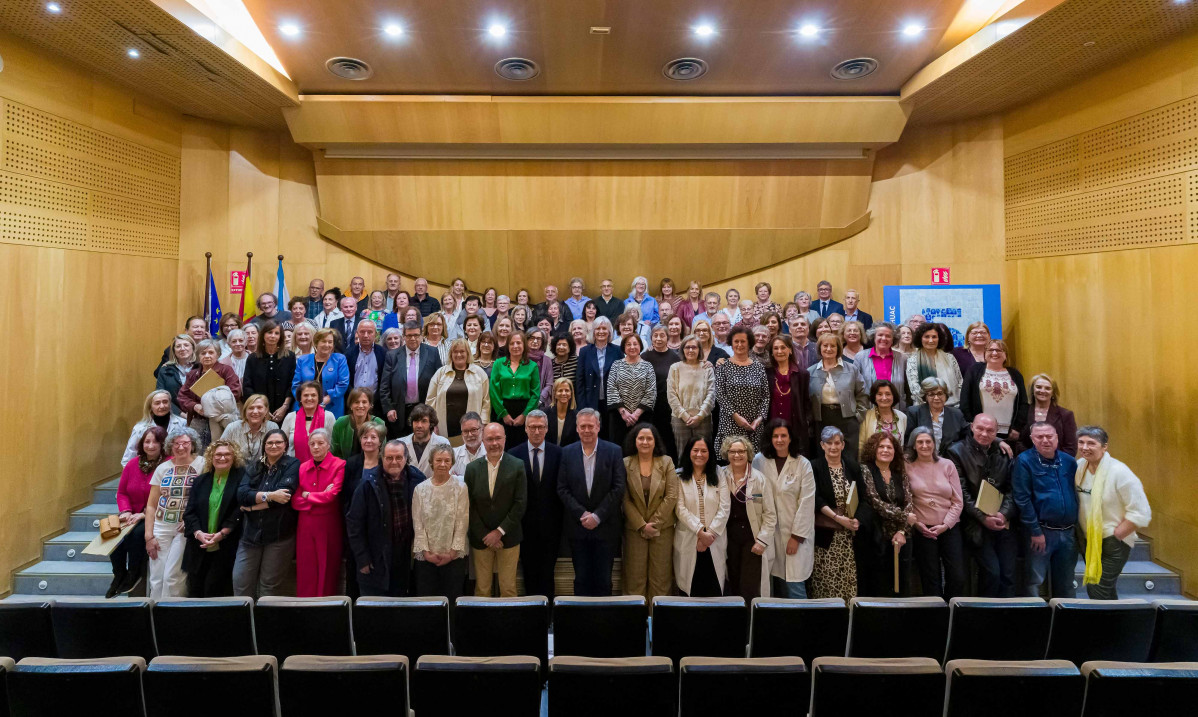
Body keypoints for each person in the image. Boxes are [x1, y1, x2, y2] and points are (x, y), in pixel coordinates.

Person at [1075, 426, 1152, 600]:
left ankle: (1102, 627)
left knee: (1097, 588)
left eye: (1091, 443)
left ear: (1104, 447)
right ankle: (1117, 624)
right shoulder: (1079, 466)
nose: (1085, 447)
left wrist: (1118, 534)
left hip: (1113, 543)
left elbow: (1141, 511)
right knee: (1106, 589)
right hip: (1088, 541)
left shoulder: (1119, 472)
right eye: (1081, 442)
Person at [558, 408, 627, 596]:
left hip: (605, 528)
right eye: (583, 426)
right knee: (581, 580)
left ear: (598, 427)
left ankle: (603, 623)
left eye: (590, 426)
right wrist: (582, 514)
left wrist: (597, 516)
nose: (587, 430)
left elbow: (618, 487)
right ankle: (581, 623)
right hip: (577, 528)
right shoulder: (566, 452)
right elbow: (562, 489)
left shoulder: (614, 451)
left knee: (604, 580)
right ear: (577, 428)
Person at [948, 414, 1017, 597]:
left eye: (990, 430)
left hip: (1003, 521)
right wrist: (983, 518)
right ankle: (985, 616)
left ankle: (1005, 615)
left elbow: (1013, 489)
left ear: (997, 432)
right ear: (972, 427)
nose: (984, 433)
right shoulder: (956, 451)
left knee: (1009, 575)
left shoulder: (1005, 452)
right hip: (974, 523)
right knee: (992, 573)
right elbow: (961, 494)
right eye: (980, 428)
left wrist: (1004, 514)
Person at [347, 438, 424, 597]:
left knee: (400, 609)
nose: (394, 462)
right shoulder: (367, 483)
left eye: (398, 457)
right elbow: (354, 523)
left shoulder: (417, 480)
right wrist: (362, 558)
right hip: (375, 559)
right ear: (382, 458)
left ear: (406, 459)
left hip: (403, 558)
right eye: (389, 458)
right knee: (374, 613)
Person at [1013, 422, 1079, 599]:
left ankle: (1065, 620)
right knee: (1034, 581)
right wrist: (1035, 531)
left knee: (1066, 583)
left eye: (1049, 436)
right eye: (1039, 437)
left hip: (1068, 533)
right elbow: (1022, 498)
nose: (1045, 440)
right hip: (1041, 532)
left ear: (1057, 437)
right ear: (1032, 439)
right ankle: (1036, 621)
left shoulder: (1069, 462)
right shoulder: (1024, 461)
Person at [233, 428, 299, 598]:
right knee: (241, 583)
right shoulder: (255, 466)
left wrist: (252, 506)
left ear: (285, 445)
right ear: (264, 446)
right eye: (269, 442)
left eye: (278, 442)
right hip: (250, 534)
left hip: (279, 536)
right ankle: (245, 623)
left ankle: (265, 624)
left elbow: (283, 498)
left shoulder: (293, 464)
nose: (273, 445)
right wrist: (269, 495)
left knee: (269, 587)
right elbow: (241, 495)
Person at [752, 419, 814, 598]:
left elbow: (807, 503)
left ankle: (801, 623)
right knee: (774, 588)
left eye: (783, 436)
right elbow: (755, 494)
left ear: (790, 438)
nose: (779, 440)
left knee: (795, 588)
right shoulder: (759, 460)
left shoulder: (803, 464)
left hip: (795, 535)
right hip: (768, 534)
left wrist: (796, 537)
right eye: (775, 436)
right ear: (769, 439)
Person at [464, 423, 527, 597]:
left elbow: (520, 503)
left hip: (509, 536)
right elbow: (469, 505)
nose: (494, 443)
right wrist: (486, 535)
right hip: (481, 539)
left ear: (505, 439)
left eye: (498, 438)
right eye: (489, 439)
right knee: (482, 589)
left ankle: (507, 624)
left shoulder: (517, 465)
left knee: (508, 588)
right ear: (482, 441)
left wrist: (499, 532)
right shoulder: (472, 469)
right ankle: (483, 625)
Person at [508, 410, 564, 603]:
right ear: (526, 429)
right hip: (524, 526)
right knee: (529, 573)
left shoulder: (559, 453)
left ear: (547, 429)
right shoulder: (514, 455)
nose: (537, 431)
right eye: (532, 427)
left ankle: (548, 618)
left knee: (548, 574)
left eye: (541, 427)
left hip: (552, 526)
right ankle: (532, 616)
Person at [906, 426, 966, 599]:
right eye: (920, 442)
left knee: (957, 576)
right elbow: (905, 500)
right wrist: (917, 524)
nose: (924, 445)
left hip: (949, 528)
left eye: (928, 441)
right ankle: (935, 618)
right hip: (922, 529)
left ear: (934, 444)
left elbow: (958, 501)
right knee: (930, 579)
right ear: (914, 445)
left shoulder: (947, 465)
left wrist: (945, 525)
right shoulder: (907, 467)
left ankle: (951, 613)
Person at [622, 423, 678, 604]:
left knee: (660, 580)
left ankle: (658, 625)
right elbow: (624, 499)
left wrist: (654, 523)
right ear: (634, 441)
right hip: (635, 529)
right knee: (634, 580)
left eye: (649, 438)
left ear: (655, 442)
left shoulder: (666, 462)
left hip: (662, 529)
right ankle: (634, 626)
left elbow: (671, 495)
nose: (645, 442)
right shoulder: (625, 463)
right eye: (641, 438)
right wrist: (641, 524)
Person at [145, 427, 204, 599]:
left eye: (185, 443)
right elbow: (151, 505)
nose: (180, 447)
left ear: (192, 444)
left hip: (184, 528)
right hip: (161, 526)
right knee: (156, 578)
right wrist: (149, 536)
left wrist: (192, 521)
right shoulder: (162, 468)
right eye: (176, 443)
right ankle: (153, 617)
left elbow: (206, 498)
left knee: (173, 577)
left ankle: (174, 615)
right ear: (170, 446)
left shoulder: (202, 465)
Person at [109, 425, 167, 598]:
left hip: (154, 515)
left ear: (163, 444)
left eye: (155, 442)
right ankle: (119, 574)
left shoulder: (168, 464)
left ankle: (134, 574)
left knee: (135, 535)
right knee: (113, 534)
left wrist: (143, 514)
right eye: (147, 441)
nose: (150, 445)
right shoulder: (133, 464)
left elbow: (166, 496)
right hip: (130, 514)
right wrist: (125, 511)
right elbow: (122, 492)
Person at [182, 440, 244, 597]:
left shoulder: (242, 479)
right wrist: (198, 533)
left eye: (227, 454)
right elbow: (189, 512)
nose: (222, 458)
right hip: (198, 546)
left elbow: (239, 511)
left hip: (226, 546)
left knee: (215, 590)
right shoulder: (200, 481)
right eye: (218, 454)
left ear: (234, 456)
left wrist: (222, 533)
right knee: (195, 591)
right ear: (211, 457)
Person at [412, 443, 470, 604]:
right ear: (431, 462)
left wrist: (452, 553)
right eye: (438, 460)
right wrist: (426, 553)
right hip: (426, 558)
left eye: (447, 460)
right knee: (428, 603)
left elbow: (462, 522)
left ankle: (451, 630)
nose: (443, 464)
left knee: (452, 601)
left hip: (453, 557)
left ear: (452, 462)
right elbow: (418, 524)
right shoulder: (420, 489)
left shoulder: (461, 488)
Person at [720, 436, 776, 601]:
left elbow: (770, 514)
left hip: (752, 540)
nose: (737, 455)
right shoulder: (720, 476)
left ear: (748, 453)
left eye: (741, 451)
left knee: (749, 587)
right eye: (733, 452)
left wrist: (762, 540)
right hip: (728, 539)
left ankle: (749, 623)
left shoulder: (760, 479)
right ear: (726, 453)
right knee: (732, 583)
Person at [858, 432, 913, 597]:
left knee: (901, 584)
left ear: (895, 451)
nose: (885, 450)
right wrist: (904, 517)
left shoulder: (899, 472)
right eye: (881, 446)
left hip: (901, 537)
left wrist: (902, 531)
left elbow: (909, 503)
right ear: (873, 449)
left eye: (889, 447)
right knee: (879, 584)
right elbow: (875, 501)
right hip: (876, 536)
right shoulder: (865, 470)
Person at [674, 436, 729, 597]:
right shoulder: (679, 475)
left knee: (713, 589)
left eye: (704, 451)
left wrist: (709, 535)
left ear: (710, 453)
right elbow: (679, 508)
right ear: (688, 452)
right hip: (690, 538)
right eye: (695, 450)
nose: (699, 454)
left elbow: (725, 507)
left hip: (714, 539)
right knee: (690, 589)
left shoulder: (719, 473)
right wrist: (700, 532)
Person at [292, 428, 345, 597]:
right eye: (312, 444)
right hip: (305, 526)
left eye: (320, 443)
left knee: (327, 569)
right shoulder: (302, 468)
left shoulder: (339, 465)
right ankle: (305, 609)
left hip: (329, 526)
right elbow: (295, 500)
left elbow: (332, 496)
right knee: (306, 569)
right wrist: (317, 498)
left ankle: (326, 610)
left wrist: (308, 496)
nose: (316, 447)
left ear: (328, 445)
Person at [810, 426, 861, 601]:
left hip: (849, 537)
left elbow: (864, 497)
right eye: (829, 443)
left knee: (848, 583)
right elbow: (815, 498)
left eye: (837, 443)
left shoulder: (852, 466)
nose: (833, 447)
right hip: (826, 535)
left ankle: (847, 622)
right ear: (822, 445)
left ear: (843, 445)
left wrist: (857, 520)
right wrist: (837, 518)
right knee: (826, 583)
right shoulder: (814, 466)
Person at [380, 321, 444, 440]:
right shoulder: (392, 356)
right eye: (409, 335)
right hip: (400, 411)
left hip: (425, 408)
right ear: (403, 337)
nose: (413, 338)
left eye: (416, 335)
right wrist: (389, 408)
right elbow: (385, 386)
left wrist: (434, 411)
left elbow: (440, 383)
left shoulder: (432, 352)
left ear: (421, 335)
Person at [960, 340, 1029, 446]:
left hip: (1008, 433)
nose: (995, 353)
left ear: (1005, 355)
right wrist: (972, 424)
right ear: (985, 353)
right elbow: (965, 400)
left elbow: (1023, 403)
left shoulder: (1015, 374)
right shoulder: (974, 370)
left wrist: (1017, 428)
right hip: (981, 431)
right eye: (991, 350)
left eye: (999, 350)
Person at [808, 334, 868, 454]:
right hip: (821, 420)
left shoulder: (852, 369)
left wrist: (858, 417)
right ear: (819, 348)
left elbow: (863, 394)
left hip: (847, 419)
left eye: (833, 346)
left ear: (838, 348)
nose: (829, 349)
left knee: (849, 456)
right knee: (823, 456)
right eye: (825, 345)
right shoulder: (810, 371)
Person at [714, 325, 770, 455]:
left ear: (749, 342)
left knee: (753, 463)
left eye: (743, 341)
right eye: (736, 341)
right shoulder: (723, 366)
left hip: (754, 426)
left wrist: (759, 419)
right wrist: (737, 417)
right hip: (730, 422)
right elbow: (720, 395)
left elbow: (766, 396)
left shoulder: (759, 367)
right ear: (731, 344)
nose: (739, 345)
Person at [425, 339, 491, 446]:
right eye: (455, 352)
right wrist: (432, 424)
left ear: (468, 353)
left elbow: (486, 402)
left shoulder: (479, 373)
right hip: (444, 428)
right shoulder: (440, 373)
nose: (458, 354)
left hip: (472, 429)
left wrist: (483, 424)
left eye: (462, 351)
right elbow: (430, 400)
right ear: (451, 354)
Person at [178, 338, 243, 444]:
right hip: (199, 419)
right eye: (203, 353)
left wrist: (210, 406)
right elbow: (182, 397)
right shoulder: (192, 374)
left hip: (221, 419)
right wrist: (195, 406)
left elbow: (234, 392)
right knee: (198, 451)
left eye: (211, 352)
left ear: (218, 354)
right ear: (198, 356)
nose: (207, 356)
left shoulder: (226, 370)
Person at [489, 331, 540, 447]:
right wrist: (503, 413)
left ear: (524, 346)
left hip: (524, 410)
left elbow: (535, 393)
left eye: (518, 343)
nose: (515, 346)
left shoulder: (532, 366)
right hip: (502, 409)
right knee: (501, 446)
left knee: (522, 448)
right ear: (508, 346)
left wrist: (525, 415)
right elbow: (494, 390)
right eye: (512, 343)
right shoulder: (498, 364)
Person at [667, 335, 716, 453]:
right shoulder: (675, 368)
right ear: (682, 349)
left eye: (694, 347)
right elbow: (671, 395)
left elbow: (711, 394)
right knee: (683, 454)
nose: (690, 350)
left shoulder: (707, 368)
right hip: (680, 419)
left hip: (703, 419)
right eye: (687, 347)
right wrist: (685, 416)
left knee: (703, 453)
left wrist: (699, 416)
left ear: (699, 349)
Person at [606, 333, 656, 447]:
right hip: (619, 417)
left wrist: (636, 414)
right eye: (628, 344)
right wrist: (624, 413)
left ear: (640, 346)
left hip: (642, 417)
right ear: (624, 347)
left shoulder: (648, 366)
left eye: (635, 344)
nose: (632, 347)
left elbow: (651, 391)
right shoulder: (616, 365)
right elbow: (611, 388)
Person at [242, 321, 296, 422]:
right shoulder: (252, 358)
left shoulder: (289, 356)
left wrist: (284, 407)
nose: (273, 336)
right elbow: (247, 386)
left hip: (284, 410)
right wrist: (262, 410)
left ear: (281, 336)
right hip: (258, 411)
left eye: (276, 333)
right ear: (263, 334)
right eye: (269, 332)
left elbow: (292, 384)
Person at [766, 335, 811, 456]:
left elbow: (806, 403)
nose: (779, 351)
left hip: (795, 427)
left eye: (783, 347)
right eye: (775, 348)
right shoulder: (766, 373)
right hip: (771, 427)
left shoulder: (802, 374)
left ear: (790, 350)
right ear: (771, 352)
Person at [292, 328, 350, 420]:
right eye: (324, 341)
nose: (327, 345)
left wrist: (325, 400)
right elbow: (296, 385)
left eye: (330, 342)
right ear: (316, 343)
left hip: (332, 407)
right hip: (304, 407)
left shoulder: (340, 359)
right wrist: (305, 401)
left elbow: (343, 384)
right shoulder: (303, 360)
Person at [904, 377, 968, 457]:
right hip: (921, 459)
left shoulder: (956, 414)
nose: (936, 398)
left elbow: (965, 439)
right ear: (925, 397)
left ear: (946, 395)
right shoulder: (914, 412)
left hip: (950, 461)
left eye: (940, 393)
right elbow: (907, 441)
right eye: (931, 394)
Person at [122, 390, 185, 466]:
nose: (162, 406)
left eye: (165, 402)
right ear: (150, 406)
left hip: (175, 467)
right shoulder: (140, 428)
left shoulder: (182, 423)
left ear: (170, 404)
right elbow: (128, 457)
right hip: (148, 469)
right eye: (157, 403)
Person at [906, 323, 964, 406]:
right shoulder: (913, 360)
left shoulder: (950, 358)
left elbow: (960, 382)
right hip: (924, 407)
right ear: (920, 339)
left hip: (953, 406)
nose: (931, 340)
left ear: (939, 339)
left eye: (934, 337)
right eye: (927, 337)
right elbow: (914, 388)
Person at [1021, 373, 1078, 457]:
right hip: (1028, 463)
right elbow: (1019, 442)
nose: (1042, 391)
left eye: (1047, 388)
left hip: (1057, 465)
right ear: (1032, 390)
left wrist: (1054, 462)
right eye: (1038, 387)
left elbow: (1071, 447)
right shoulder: (1023, 412)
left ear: (1053, 393)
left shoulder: (1066, 415)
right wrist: (1031, 460)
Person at [280, 381, 337, 462]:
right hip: (293, 468)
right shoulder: (290, 417)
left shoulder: (328, 416)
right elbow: (282, 445)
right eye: (306, 395)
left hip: (321, 467)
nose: (309, 398)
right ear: (300, 398)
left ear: (319, 398)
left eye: (313, 395)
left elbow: (333, 445)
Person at [858, 323, 908, 410]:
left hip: (896, 410)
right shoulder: (860, 357)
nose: (884, 338)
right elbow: (856, 387)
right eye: (880, 335)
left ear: (893, 339)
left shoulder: (902, 358)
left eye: (888, 336)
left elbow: (907, 389)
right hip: (868, 410)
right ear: (874, 337)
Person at [576, 317, 622, 411]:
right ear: (593, 331)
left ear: (609, 332)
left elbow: (622, 379)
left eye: (604, 328)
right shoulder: (584, 351)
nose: (601, 331)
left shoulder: (617, 350)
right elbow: (580, 381)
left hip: (612, 403)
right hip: (590, 401)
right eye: (598, 328)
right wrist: (582, 406)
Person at [222, 394, 279, 464]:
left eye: (259, 407)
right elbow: (220, 451)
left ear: (266, 411)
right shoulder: (232, 428)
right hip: (236, 470)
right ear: (245, 411)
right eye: (251, 408)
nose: (255, 411)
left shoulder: (272, 427)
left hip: (263, 471)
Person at [331, 387, 385, 459]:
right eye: (356, 402)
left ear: (370, 405)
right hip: (345, 466)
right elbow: (335, 453)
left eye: (364, 402)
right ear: (350, 405)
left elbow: (383, 451)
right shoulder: (340, 423)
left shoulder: (379, 423)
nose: (360, 405)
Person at [859, 380, 908, 459]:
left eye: (888, 394)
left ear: (893, 396)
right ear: (874, 397)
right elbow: (861, 444)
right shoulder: (866, 416)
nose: (884, 398)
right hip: (871, 464)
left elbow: (903, 445)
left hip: (895, 464)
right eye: (879, 394)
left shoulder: (902, 417)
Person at [400, 404, 451, 477]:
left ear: (431, 424)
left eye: (424, 421)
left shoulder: (442, 443)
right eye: (416, 421)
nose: (419, 425)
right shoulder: (401, 444)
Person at [346, 320, 387, 404]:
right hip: (354, 402)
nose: (365, 335)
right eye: (362, 332)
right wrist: (354, 397)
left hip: (376, 402)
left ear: (375, 334)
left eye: (369, 332)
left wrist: (375, 400)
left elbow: (385, 381)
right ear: (357, 333)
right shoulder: (348, 354)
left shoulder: (384, 354)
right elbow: (346, 381)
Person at [548, 377, 580, 447]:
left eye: (567, 390)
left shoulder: (577, 416)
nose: (564, 393)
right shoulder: (545, 413)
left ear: (571, 393)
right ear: (555, 394)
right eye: (560, 390)